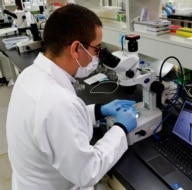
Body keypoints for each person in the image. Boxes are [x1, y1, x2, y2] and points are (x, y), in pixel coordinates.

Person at [6, 4, 137, 190]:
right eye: (97, 48)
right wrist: (121, 128)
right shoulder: (57, 103)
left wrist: (99, 111)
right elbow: (88, 171)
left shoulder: (30, 75)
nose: (98, 56)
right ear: (76, 49)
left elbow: (56, 125)